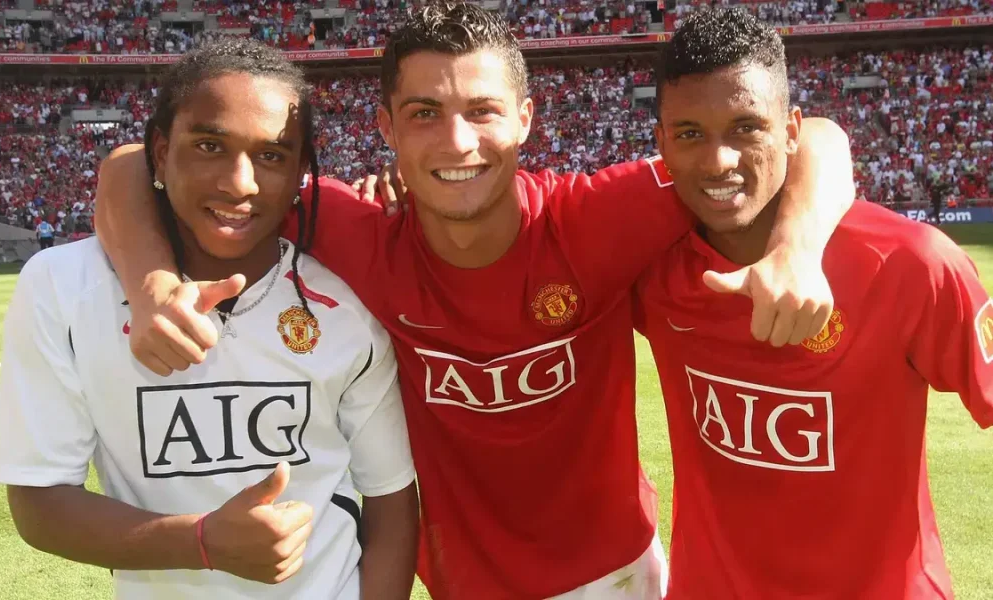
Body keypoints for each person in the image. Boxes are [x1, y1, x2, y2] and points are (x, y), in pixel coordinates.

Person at [92, 4, 854, 599]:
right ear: (386, 126)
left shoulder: (596, 218)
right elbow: (132, 162)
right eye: (424, 113)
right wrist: (150, 282)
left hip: (614, 579)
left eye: (482, 110)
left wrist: (797, 245)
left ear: (525, 118)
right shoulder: (352, 231)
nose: (457, 142)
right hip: (456, 584)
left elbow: (812, 131)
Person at [0, 38, 418, 600]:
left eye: (271, 155)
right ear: (161, 151)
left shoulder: (347, 305)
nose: (239, 183)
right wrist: (201, 542)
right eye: (209, 145)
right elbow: (40, 502)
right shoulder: (63, 286)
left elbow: (390, 500)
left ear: (300, 173)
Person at [632, 10, 993, 598]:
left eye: (747, 127)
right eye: (691, 132)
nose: (720, 160)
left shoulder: (909, 264)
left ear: (792, 130)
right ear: (662, 142)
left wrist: (798, 244)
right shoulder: (650, 263)